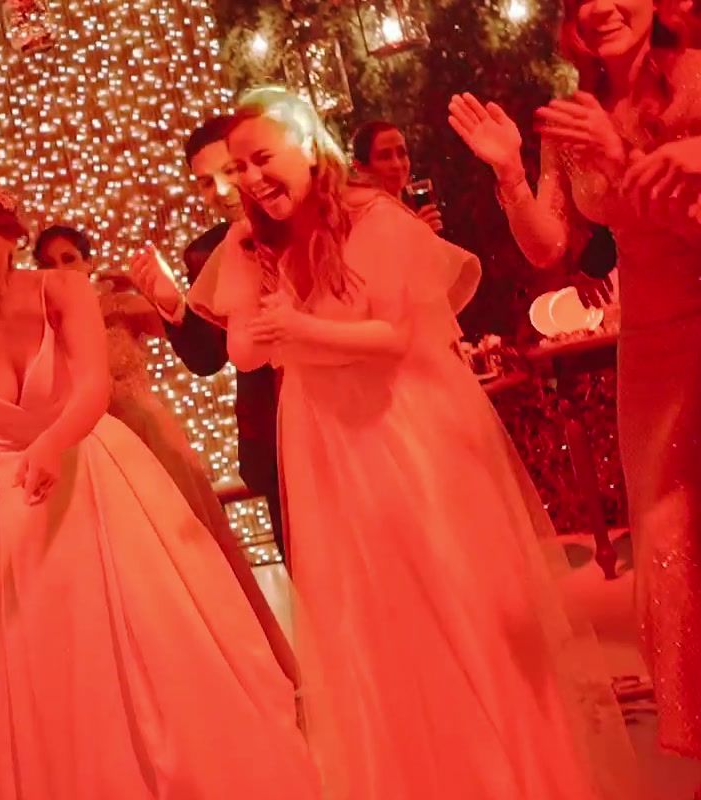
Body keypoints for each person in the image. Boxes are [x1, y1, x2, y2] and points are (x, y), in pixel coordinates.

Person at [190, 87, 639, 799]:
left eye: (263, 159)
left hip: (402, 431)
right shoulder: (252, 242)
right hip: (324, 441)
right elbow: (245, 351)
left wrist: (299, 332)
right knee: (372, 625)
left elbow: (393, 336)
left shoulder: (372, 217)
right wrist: (255, 282)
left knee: (452, 608)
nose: (251, 179)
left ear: (308, 145)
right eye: (237, 168)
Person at [0, 177, 318, 799]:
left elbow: (92, 388)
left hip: (96, 474)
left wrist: (50, 445)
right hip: (14, 504)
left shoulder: (63, 290)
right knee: (56, 663)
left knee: (151, 636)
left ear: (11, 241)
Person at [449, 0, 701, 759]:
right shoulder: (577, 111)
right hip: (647, 354)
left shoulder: (694, 80)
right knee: (665, 538)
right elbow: (548, 245)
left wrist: (622, 161)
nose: (598, 7)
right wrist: (509, 173)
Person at [34, 224, 277, 615]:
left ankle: (232, 626)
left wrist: (141, 285)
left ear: (88, 261)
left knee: (189, 539)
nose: (60, 269)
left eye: (69, 259)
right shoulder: (45, 328)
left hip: (147, 435)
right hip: (93, 446)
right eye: (48, 264)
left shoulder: (116, 305)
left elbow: (192, 329)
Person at [128, 115, 288, 566]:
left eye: (229, 172)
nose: (219, 191)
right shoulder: (207, 251)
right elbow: (207, 358)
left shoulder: (308, 222)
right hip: (274, 438)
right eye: (204, 182)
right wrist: (175, 306)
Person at [349, 120, 445, 232]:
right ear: (360, 167)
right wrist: (417, 235)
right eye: (385, 157)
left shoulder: (411, 206)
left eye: (401, 153)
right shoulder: (363, 218)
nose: (397, 164)